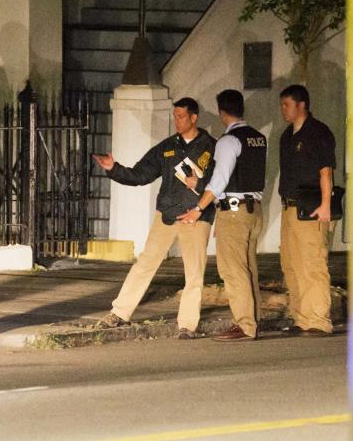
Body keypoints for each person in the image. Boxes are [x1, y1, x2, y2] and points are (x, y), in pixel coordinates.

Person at [93, 97, 217, 339]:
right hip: (167, 215)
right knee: (145, 263)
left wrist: (200, 197)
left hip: (196, 217)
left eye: (181, 116)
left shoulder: (211, 146)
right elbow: (140, 174)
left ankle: (187, 325)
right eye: (174, 116)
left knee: (194, 272)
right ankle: (119, 312)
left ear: (194, 117)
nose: (176, 121)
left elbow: (219, 183)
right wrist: (114, 168)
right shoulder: (168, 146)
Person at [178, 90, 266, 342]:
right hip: (253, 209)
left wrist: (198, 209)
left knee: (232, 270)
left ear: (222, 113)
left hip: (235, 210)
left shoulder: (228, 141)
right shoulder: (258, 138)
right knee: (248, 268)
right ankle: (254, 319)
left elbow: (219, 181)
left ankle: (245, 325)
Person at [277, 84, 336, 336]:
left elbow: (326, 171)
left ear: (301, 105)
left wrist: (326, 205)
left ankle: (319, 319)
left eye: (286, 105)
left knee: (312, 263)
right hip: (289, 207)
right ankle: (301, 317)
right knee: (291, 264)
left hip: (312, 207)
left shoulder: (318, 132)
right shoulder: (287, 136)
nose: (283, 110)